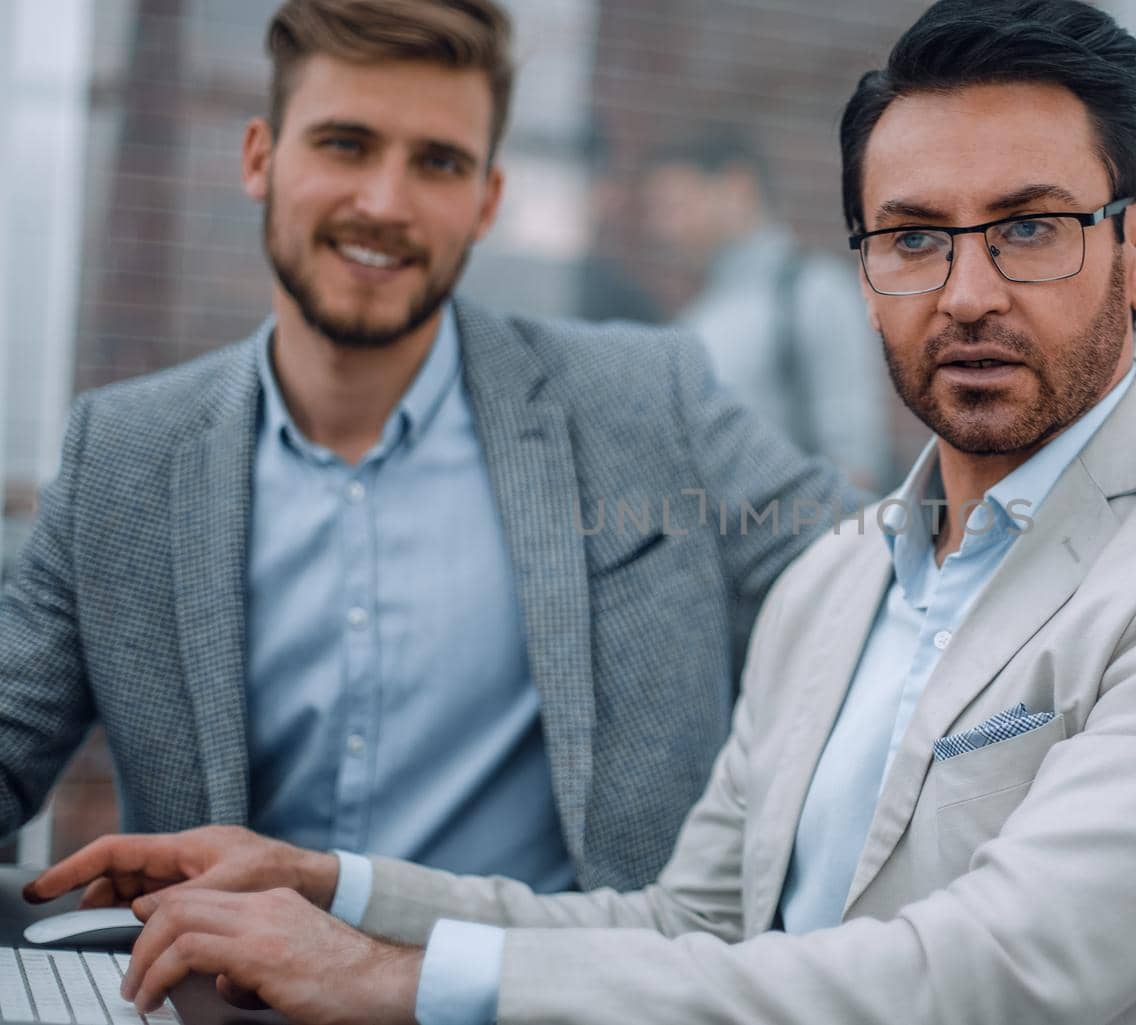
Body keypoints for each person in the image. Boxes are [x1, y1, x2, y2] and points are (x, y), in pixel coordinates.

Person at [25, 3, 1136, 1024]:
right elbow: (697, 918)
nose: (965, 290)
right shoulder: (839, 579)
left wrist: (400, 980)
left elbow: (988, 968)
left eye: (1030, 227)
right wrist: (336, 887)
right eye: (912, 236)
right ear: (863, 270)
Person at [0, 0, 850, 897]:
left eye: (437, 162)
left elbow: (877, 592)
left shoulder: (647, 403)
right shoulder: (125, 459)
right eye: (345, 145)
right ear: (260, 158)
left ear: (487, 200)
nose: (385, 204)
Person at [642, 131, 895, 491]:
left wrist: (839, 541)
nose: (664, 229)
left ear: (736, 187)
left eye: (676, 205)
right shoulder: (702, 313)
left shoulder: (812, 292)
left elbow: (856, 458)